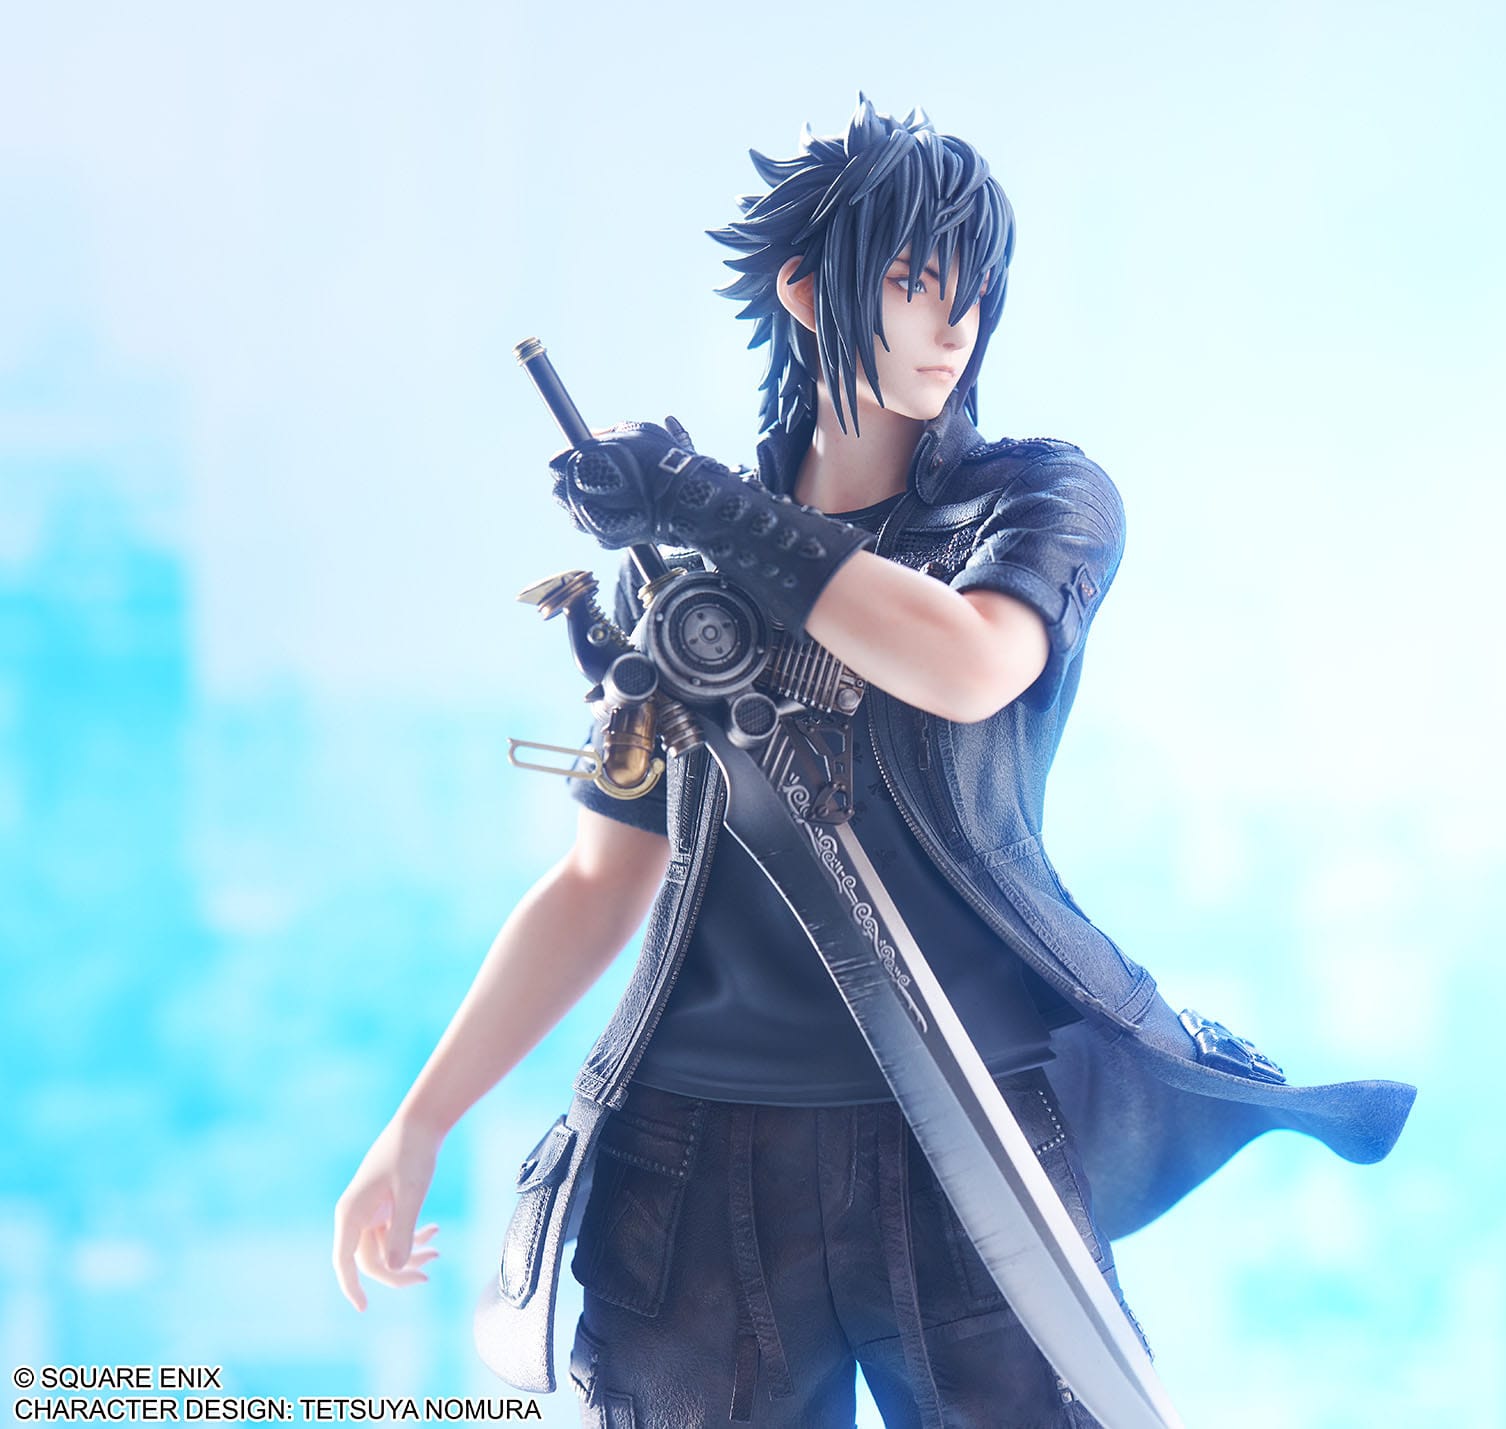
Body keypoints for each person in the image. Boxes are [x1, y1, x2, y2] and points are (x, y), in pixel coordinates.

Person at [332, 98, 1416, 1428]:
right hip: (693, 1155)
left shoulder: (1036, 501)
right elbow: (599, 882)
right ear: (808, 291)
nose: (953, 324)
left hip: (967, 1132)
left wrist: (707, 504)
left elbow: (966, 662)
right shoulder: (679, 584)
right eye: (912, 283)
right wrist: (423, 1117)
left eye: (973, 289)